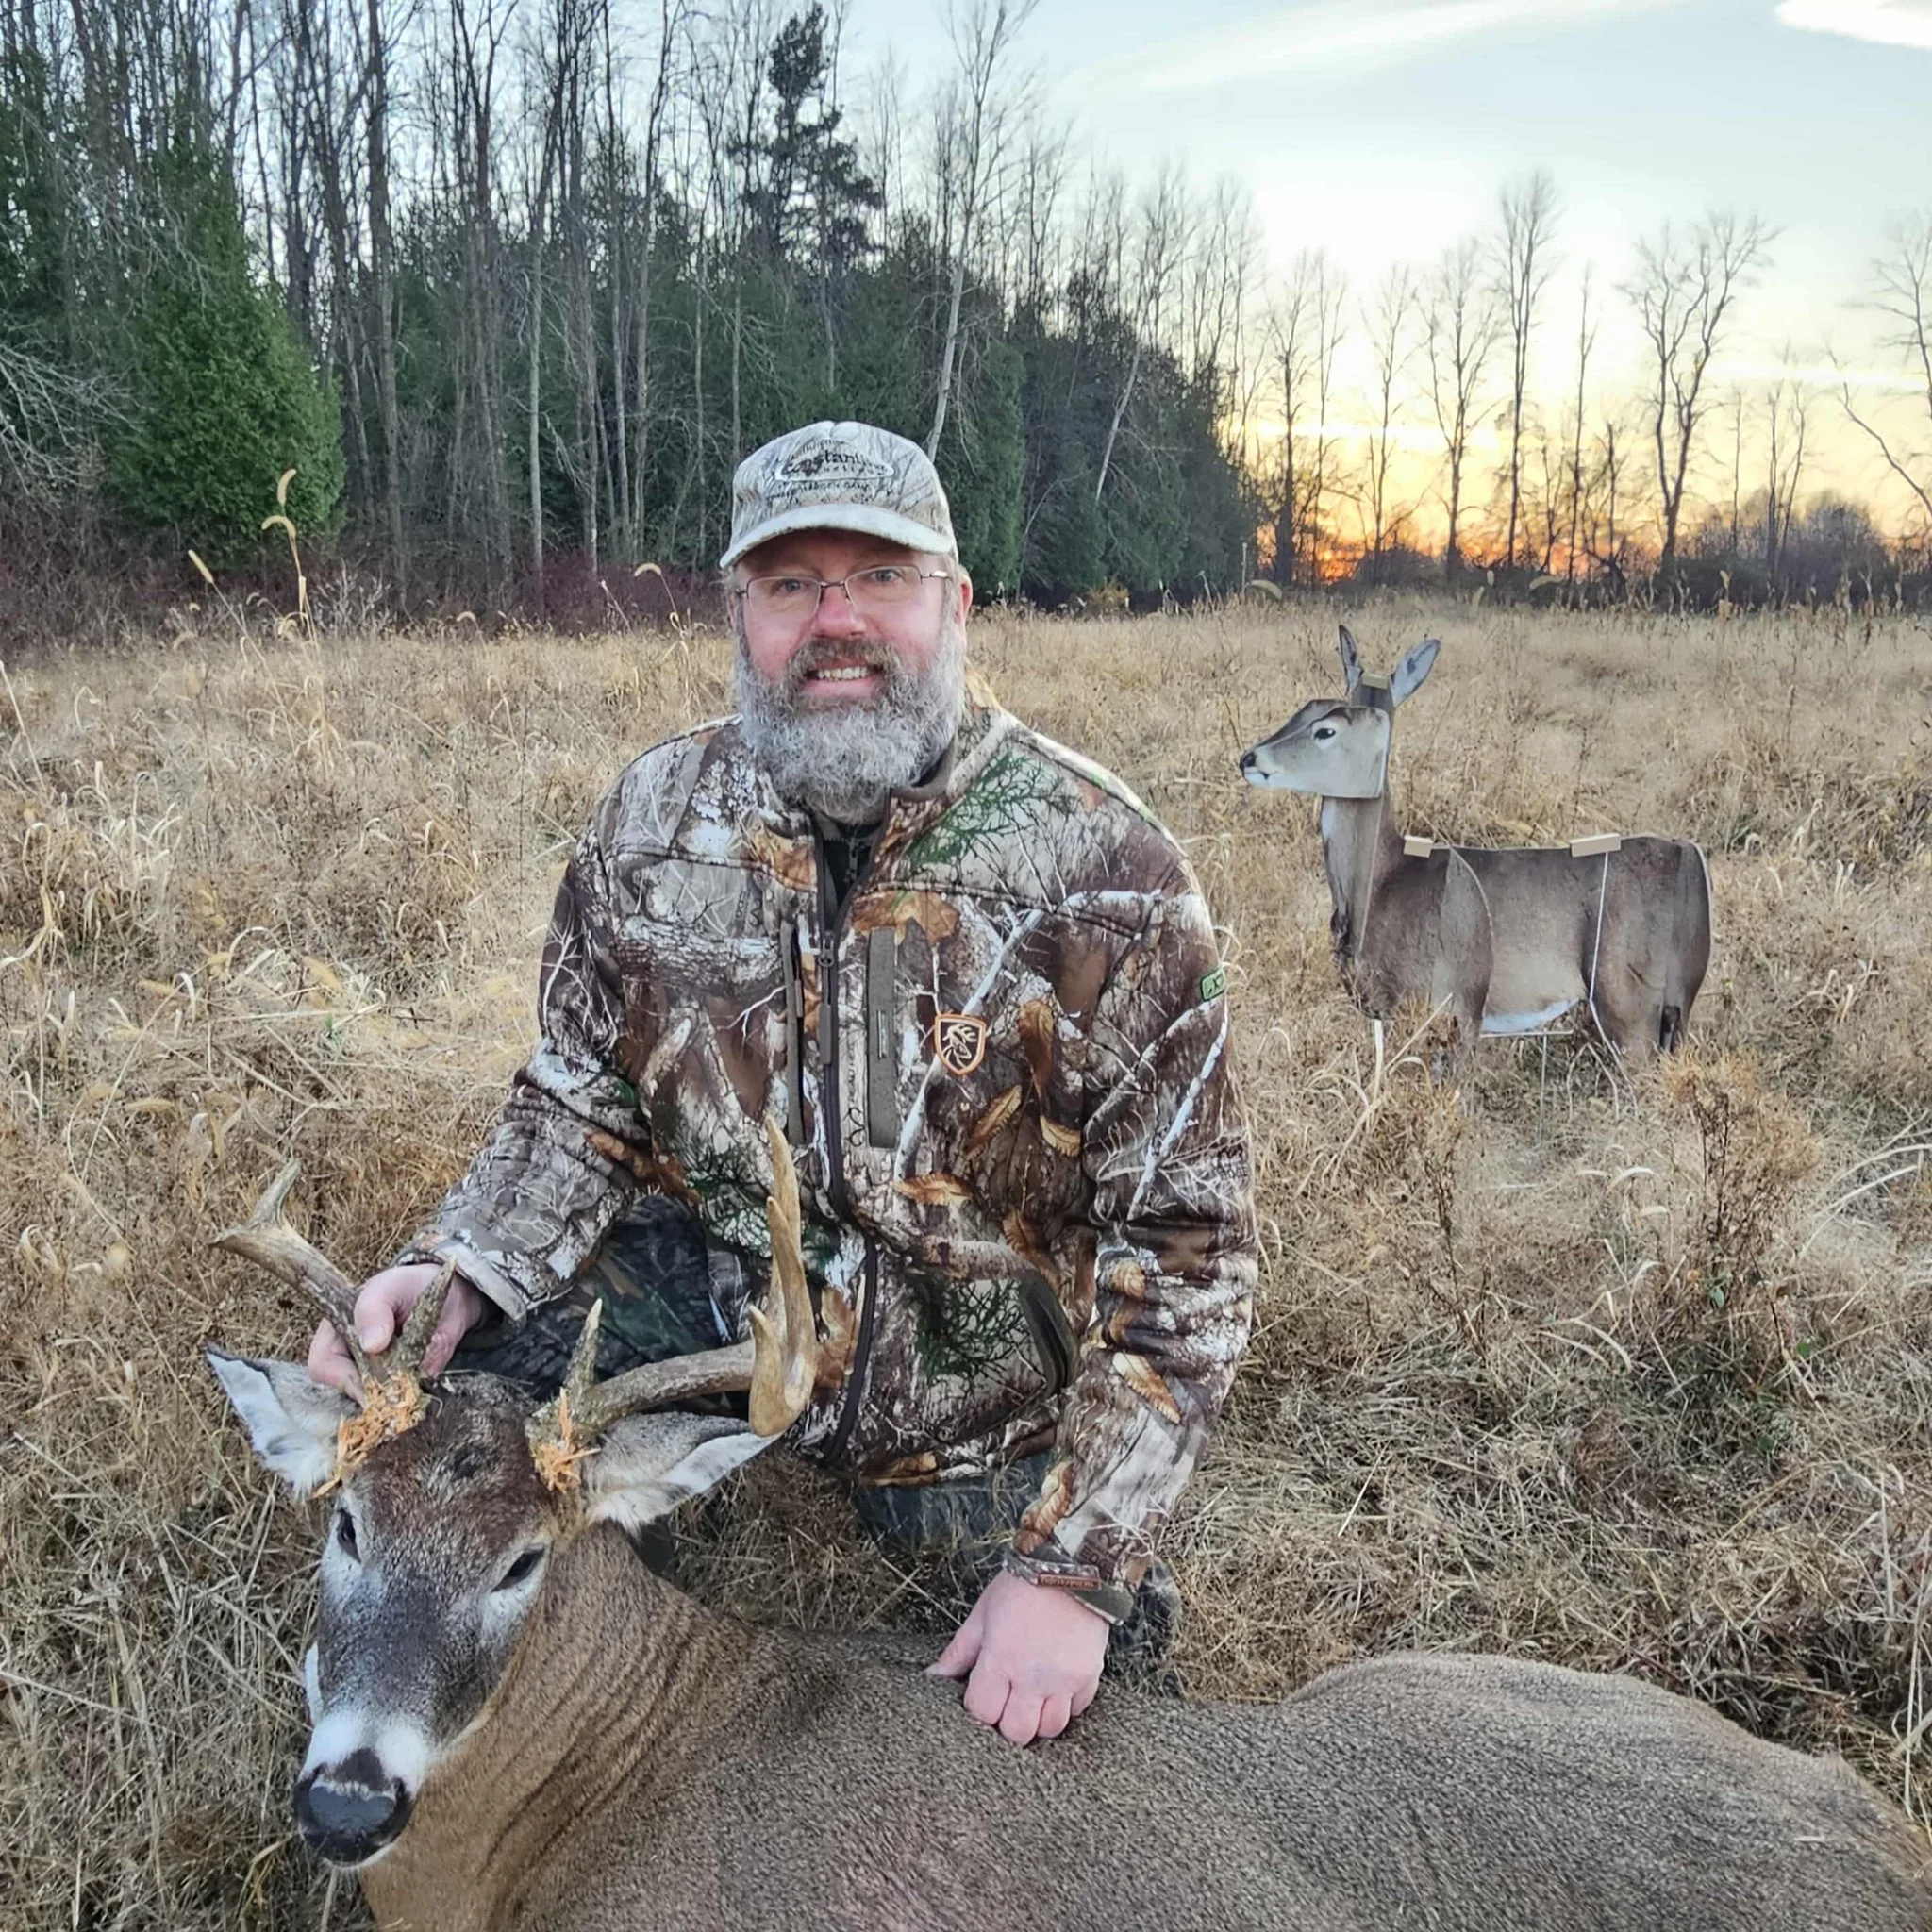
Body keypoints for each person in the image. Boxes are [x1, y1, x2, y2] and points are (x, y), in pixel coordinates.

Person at [308, 421, 1257, 1746]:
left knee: (1080, 1704)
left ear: (957, 604)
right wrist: (464, 1262)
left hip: (970, 1412)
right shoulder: (652, 820)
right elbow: (580, 1099)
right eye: (790, 585)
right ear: (736, 612)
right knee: (436, 1469)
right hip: (701, 1335)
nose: (838, 622)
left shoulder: (1108, 871)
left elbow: (1193, 1252)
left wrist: (1070, 1572)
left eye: (881, 578)